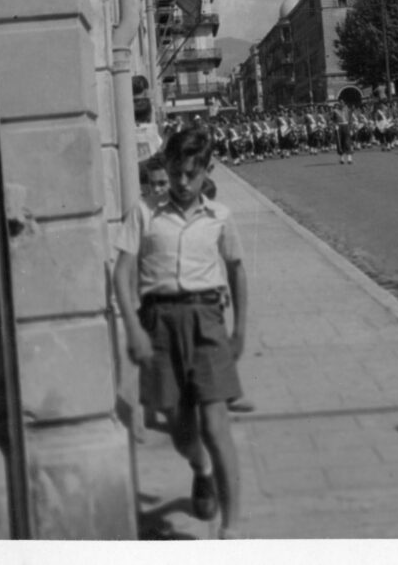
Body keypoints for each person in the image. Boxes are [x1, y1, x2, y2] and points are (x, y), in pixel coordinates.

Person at [112, 128, 248, 539]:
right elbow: (121, 274)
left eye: (191, 174)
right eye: (175, 174)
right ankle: (200, 467)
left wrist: (239, 329)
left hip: (206, 320)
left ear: (206, 171)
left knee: (215, 424)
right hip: (158, 322)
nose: (182, 183)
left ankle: (231, 528)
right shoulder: (144, 212)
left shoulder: (219, 217)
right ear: (167, 168)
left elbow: (237, 270)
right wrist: (133, 328)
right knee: (178, 425)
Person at [331, 100, 354, 164]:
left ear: (344, 104)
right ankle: (342, 158)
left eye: (343, 103)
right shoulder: (335, 111)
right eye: (340, 103)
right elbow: (332, 119)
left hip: (346, 126)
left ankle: (349, 158)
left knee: (347, 141)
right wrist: (335, 125)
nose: (341, 104)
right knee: (340, 142)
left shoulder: (347, 110)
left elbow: (350, 119)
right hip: (339, 127)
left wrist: (351, 129)